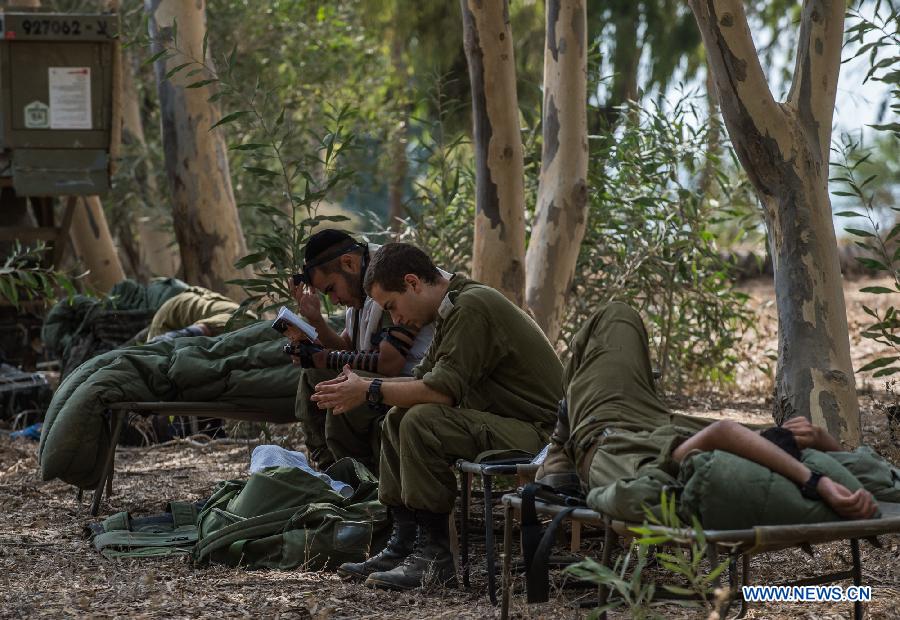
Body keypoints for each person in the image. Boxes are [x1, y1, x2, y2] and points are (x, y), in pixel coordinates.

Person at [311, 243, 564, 590]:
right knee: (397, 417)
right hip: (514, 425)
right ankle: (403, 545)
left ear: (413, 282)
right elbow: (421, 380)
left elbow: (441, 392)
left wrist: (369, 389)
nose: (395, 320)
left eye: (392, 307)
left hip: (543, 438)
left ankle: (435, 560)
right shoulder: (451, 309)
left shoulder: (471, 307)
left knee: (420, 421)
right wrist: (363, 384)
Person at [534, 302, 881, 525]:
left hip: (606, 429)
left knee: (613, 315)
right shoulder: (744, 475)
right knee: (615, 319)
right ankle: (563, 434)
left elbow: (725, 433)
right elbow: (859, 473)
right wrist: (821, 441)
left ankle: (561, 442)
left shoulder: (687, 476)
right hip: (660, 426)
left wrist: (817, 484)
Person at [291, 230, 438, 472]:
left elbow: (389, 362)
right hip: (390, 378)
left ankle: (359, 481)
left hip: (413, 381)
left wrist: (325, 357)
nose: (335, 299)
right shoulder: (360, 284)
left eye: (331, 289)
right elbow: (349, 347)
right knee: (313, 376)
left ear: (348, 263)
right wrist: (316, 321)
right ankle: (332, 473)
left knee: (342, 387)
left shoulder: (389, 278)